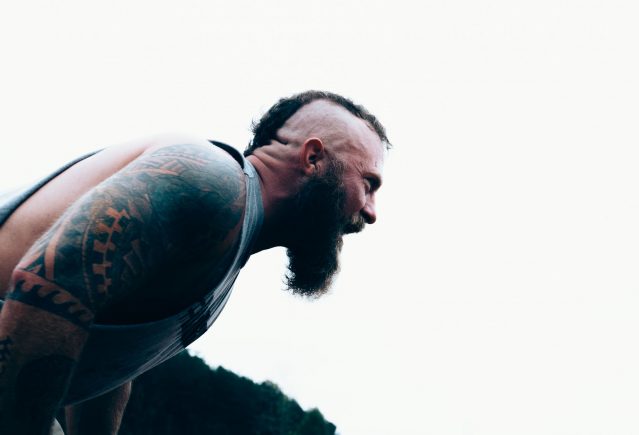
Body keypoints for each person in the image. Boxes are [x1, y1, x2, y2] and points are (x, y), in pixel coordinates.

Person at [0, 90, 389, 434]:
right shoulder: (212, 182)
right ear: (313, 158)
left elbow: (110, 352)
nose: (371, 212)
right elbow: (55, 283)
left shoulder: (228, 240)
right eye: (368, 184)